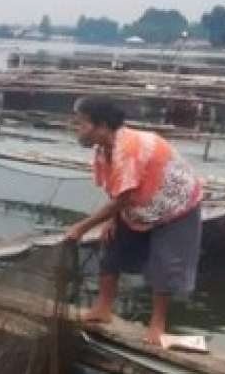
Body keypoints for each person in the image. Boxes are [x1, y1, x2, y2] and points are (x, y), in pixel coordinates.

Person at [65, 96, 204, 345]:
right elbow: (117, 190)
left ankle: (157, 324)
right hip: (139, 202)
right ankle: (102, 309)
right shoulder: (103, 149)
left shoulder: (127, 150)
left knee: (164, 262)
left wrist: (81, 227)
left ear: (102, 126)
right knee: (112, 247)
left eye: (82, 124)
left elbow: (123, 198)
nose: (78, 129)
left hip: (175, 205)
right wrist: (112, 220)